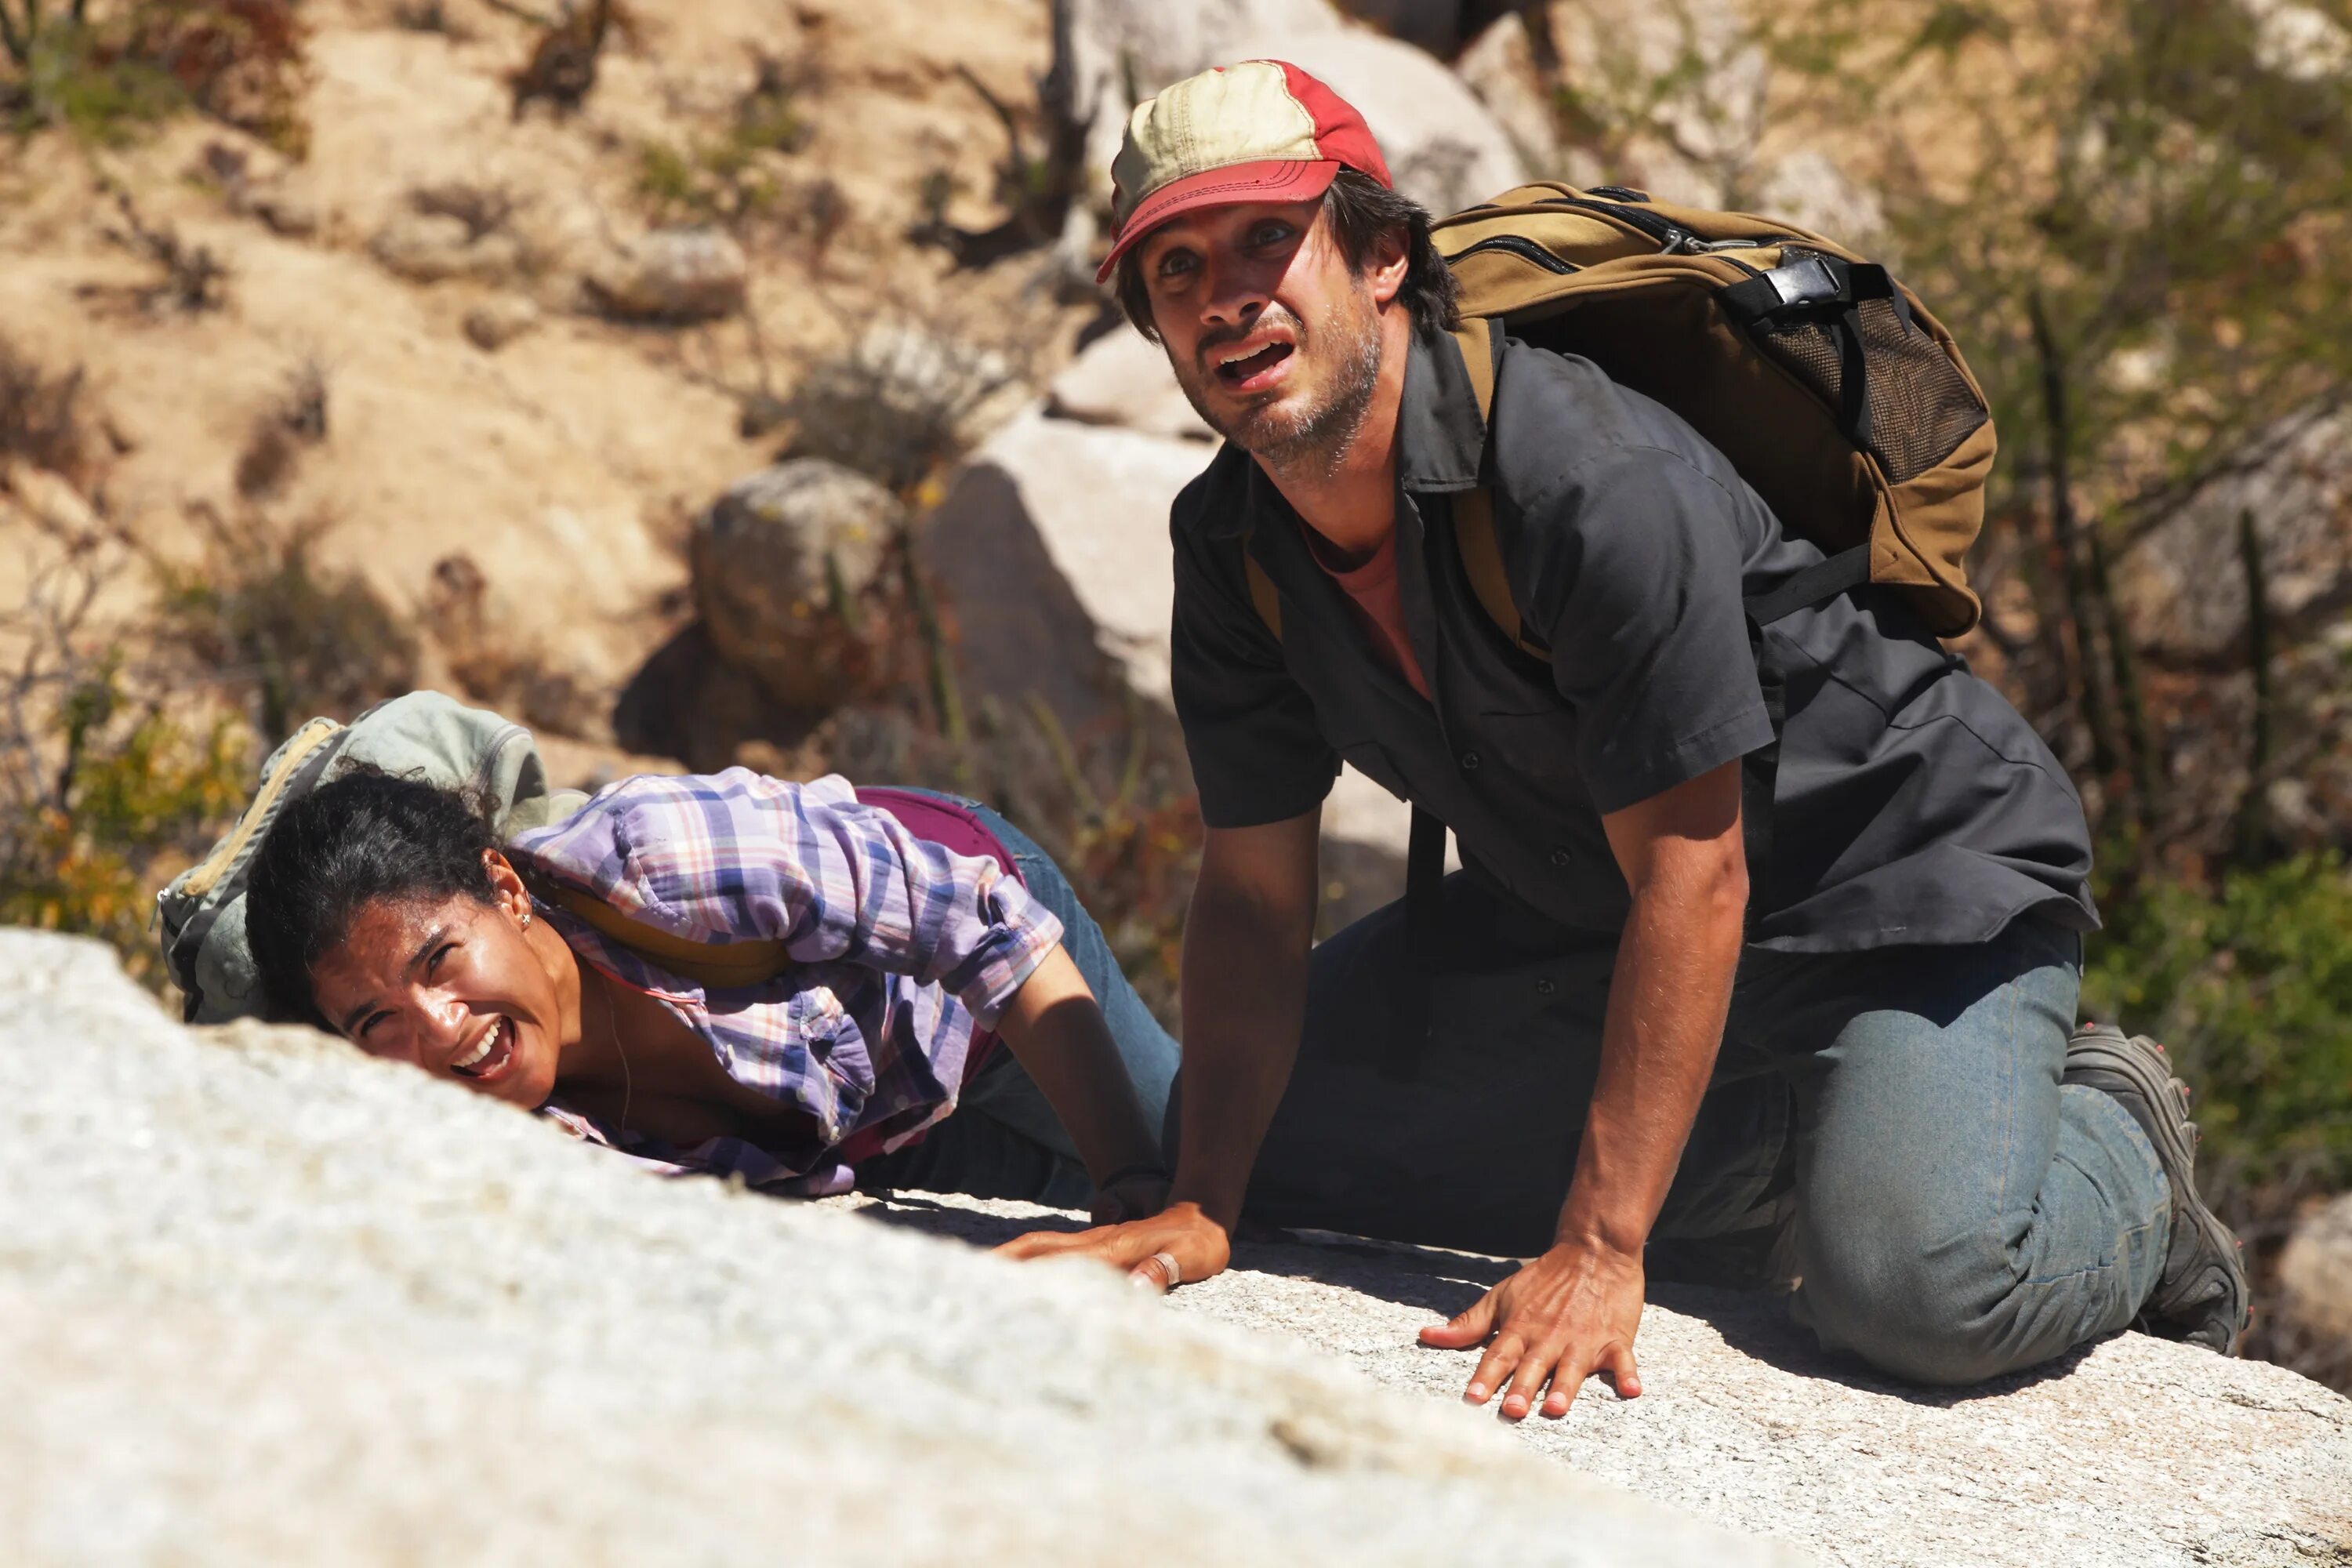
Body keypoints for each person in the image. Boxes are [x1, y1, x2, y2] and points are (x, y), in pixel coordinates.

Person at [1001, 59, 2249, 1408]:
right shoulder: (1234, 543)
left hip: (1892, 887)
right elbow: (1252, 896)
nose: (1227, 295)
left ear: (1377, 258)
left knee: (1914, 1293)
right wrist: (1199, 1202)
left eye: (1267, 239)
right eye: (1175, 270)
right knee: (1247, 1143)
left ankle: (2117, 1135)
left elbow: (1695, 872)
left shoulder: (1583, 480)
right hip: (1585, 907)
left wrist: (1602, 1245)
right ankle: (1775, 1145)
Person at [245, 764, 1179, 1216]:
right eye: (378, 1022)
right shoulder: (501, 1138)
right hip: (876, 1131)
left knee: (1220, 1169)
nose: (440, 1030)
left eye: (439, 959)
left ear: (505, 885)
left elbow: (972, 924)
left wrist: (1135, 1188)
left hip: (983, 990)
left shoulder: (654, 857)